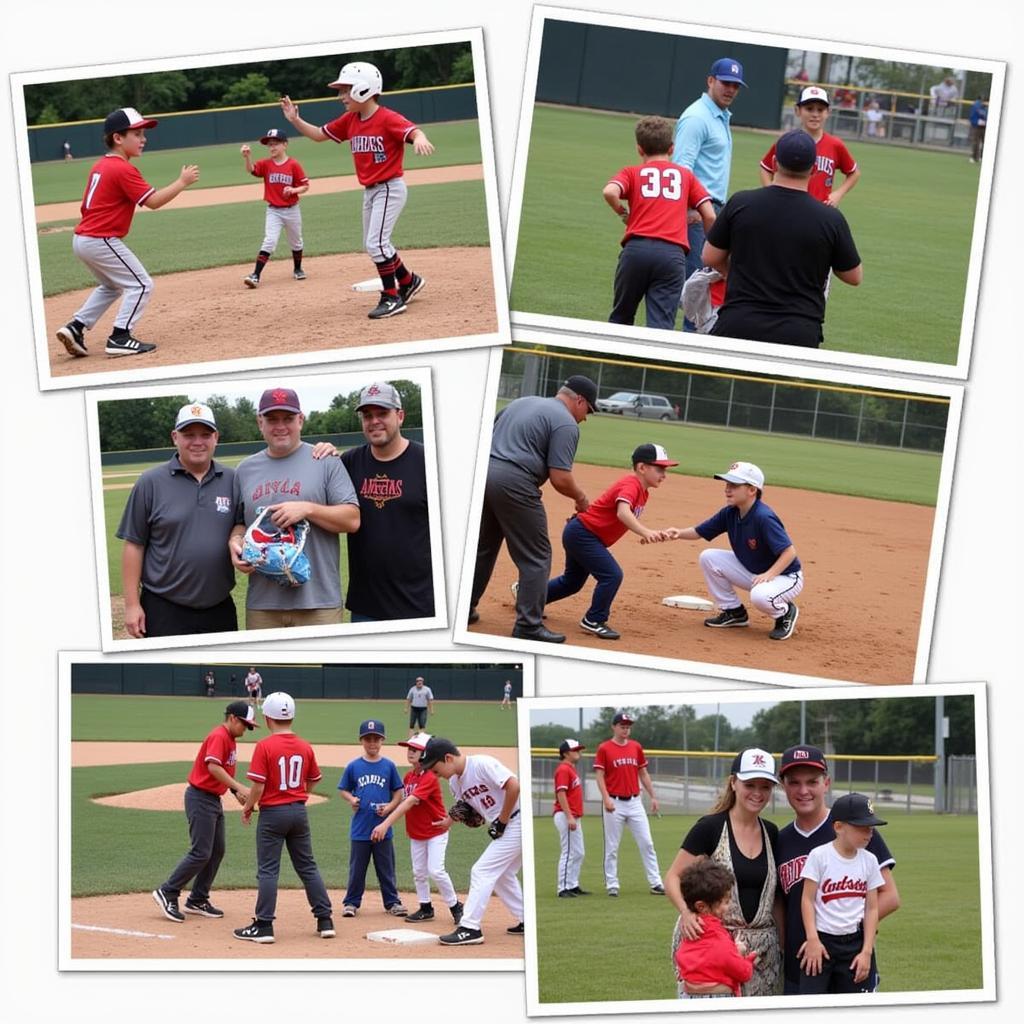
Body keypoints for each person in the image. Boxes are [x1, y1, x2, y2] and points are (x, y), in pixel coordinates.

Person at [280, 62, 434, 319]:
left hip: (389, 188)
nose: (341, 97)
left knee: (377, 243)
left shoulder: (387, 118)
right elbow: (319, 135)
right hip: (371, 191)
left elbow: (413, 131)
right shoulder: (351, 120)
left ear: (364, 89)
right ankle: (408, 281)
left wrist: (420, 138)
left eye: (345, 90)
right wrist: (295, 120)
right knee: (373, 243)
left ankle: (392, 298)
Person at [56, 107, 199, 359]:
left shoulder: (101, 165)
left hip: (82, 239)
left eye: (143, 133)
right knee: (142, 284)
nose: (143, 139)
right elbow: (153, 201)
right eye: (137, 133)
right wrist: (182, 182)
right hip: (100, 239)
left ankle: (75, 328)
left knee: (111, 286)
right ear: (118, 138)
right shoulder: (122, 168)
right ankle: (120, 337)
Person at [703, 129, 862, 348]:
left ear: (775, 162)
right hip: (799, 331)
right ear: (814, 168)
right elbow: (854, 276)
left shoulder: (741, 203)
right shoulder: (830, 219)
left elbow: (710, 256)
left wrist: (733, 271)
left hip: (740, 322)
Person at [468, 375, 597, 643]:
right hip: (514, 482)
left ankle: (465, 608)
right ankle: (528, 625)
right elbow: (560, 478)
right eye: (588, 410)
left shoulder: (520, 402)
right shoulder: (565, 423)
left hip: (481, 475)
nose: (585, 418)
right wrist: (582, 498)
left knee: (482, 547)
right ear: (579, 401)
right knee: (537, 556)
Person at [229, 387, 360, 629]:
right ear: (260, 422)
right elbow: (240, 523)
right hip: (263, 604)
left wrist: (308, 509)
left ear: (300, 420)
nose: (280, 426)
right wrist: (235, 542)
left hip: (318, 602)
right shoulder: (244, 470)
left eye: (288, 418)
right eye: (271, 419)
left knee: (327, 668)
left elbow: (352, 519)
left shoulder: (325, 460)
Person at [776, 745, 899, 994]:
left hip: (849, 962)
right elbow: (780, 903)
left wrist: (848, 938)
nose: (803, 790)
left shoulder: (855, 830)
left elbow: (890, 897)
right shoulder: (780, 840)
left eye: (812, 781)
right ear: (783, 785)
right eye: (794, 782)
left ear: (827, 783)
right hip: (801, 964)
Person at [664, 748, 782, 997]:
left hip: (762, 955)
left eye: (765, 786)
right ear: (733, 783)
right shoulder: (711, 827)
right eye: (750, 784)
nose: (758, 793)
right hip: (712, 950)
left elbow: (776, 899)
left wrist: (784, 943)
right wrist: (686, 913)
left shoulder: (771, 832)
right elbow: (673, 877)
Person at [116, 402, 237, 639]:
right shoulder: (150, 482)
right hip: (164, 607)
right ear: (175, 437)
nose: (197, 441)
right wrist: (131, 605)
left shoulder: (233, 480)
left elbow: (243, 525)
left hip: (219, 606)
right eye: (188, 434)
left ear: (216, 438)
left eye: (205, 434)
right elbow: (134, 544)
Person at [656, 461, 803, 641]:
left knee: (760, 596)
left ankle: (785, 612)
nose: (727, 489)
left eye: (734, 485)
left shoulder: (763, 517)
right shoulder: (730, 512)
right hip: (756, 572)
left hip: (785, 577)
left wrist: (770, 574)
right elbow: (699, 532)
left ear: (752, 490)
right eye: (727, 484)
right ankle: (734, 612)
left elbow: (789, 552)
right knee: (709, 557)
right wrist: (678, 533)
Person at [545, 443, 677, 641]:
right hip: (583, 534)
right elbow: (623, 512)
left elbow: (623, 518)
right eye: (659, 469)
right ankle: (594, 619)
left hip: (582, 534)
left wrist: (647, 534)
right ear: (642, 468)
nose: (664, 475)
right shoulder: (631, 484)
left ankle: (528, 597)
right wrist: (644, 531)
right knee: (611, 575)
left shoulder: (643, 491)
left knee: (572, 582)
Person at [233, 692, 335, 943]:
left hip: (273, 814)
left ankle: (264, 925)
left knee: (268, 870)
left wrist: (248, 806)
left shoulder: (265, 746)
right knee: (308, 867)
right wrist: (300, 797)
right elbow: (313, 779)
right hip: (298, 812)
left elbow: (257, 786)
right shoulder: (304, 745)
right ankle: (325, 920)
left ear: (267, 718)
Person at [604, 116, 715, 330]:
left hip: (635, 251)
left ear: (639, 149)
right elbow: (709, 215)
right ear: (671, 148)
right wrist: (711, 249)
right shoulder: (686, 176)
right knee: (661, 326)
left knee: (621, 318)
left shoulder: (632, 172)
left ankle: (613, 362)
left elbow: (609, 191)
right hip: (672, 256)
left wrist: (622, 212)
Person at [152, 701, 256, 924]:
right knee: (201, 852)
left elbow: (223, 770)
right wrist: (239, 787)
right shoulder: (219, 736)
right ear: (233, 718)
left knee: (217, 850)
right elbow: (213, 767)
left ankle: (198, 899)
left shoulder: (230, 739)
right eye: (245, 725)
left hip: (212, 800)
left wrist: (232, 791)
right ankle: (168, 891)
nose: (246, 730)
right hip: (200, 798)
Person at [341, 382, 435, 622]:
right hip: (366, 605)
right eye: (367, 415)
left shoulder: (428, 461)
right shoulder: (349, 462)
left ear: (400, 416)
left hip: (419, 605)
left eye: (382, 413)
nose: (374, 421)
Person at [419, 737, 524, 945]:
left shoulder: (481, 764)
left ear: (448, 758)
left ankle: (470, 927)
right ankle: (526, 917)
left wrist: (501, 822)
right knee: (502, 874)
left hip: (518, 820)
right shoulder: (454, 782)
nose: (434, 774)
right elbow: (468, 807)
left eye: (435, 768)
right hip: (507, 824)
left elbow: (514, 786)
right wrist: (451, 820)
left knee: (482, 871)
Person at [673, 57, 746, 330]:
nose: (730, 90)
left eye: (736, 86)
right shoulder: (696, 117)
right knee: (697, 286)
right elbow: (682, 168)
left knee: (703, 283)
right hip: (698, 212)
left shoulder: (718, 114)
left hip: (713, 210)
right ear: (710, 81)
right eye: (726, 83)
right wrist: (690, 210)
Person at [799, 793, 888, 994]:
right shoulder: (820, 856)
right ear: (839, 827)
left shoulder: (870, 860)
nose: (869, 833)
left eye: (871, 827)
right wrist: (812, 939)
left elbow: (872, 908)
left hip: (856, 943)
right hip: (822, 942)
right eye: (861, 827)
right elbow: (807, 900)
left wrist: (866, 951)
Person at [370, 732, 463, 925]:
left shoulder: (429, 776)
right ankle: (425, 908)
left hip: (436, 831)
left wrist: (386, 823)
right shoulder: (410, 776)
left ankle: (456, 907)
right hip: (417, 832)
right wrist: (388, 807)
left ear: (425, 753)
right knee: (419, 872)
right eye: (409, 749)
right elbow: (403, 799)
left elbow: (411, 801)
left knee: (436, 871)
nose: (410, 752)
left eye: (415, 749)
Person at [337, 719, 407, 918]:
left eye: (376, 739)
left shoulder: (389, 766)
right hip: (360, 828)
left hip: (383, 828)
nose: (372, 743)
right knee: (357, 869)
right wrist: (352, 799)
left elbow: (398, 793)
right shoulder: (354, 766)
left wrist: (390, 807)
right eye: (368, 739)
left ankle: (392, 902)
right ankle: (351, 903)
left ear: (382, 740)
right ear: (362, 741)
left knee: (386, 868)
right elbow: (343, 789)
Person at [593, 712, 664, 897]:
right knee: (612, 846)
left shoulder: (636, 747)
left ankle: (656, 883)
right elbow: (599, 776)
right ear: (614, 727)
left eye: (628, 726)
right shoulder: (605, 748)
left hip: (634, 801)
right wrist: (606, 798)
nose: (626, 729)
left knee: (647, 843)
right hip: (614, 802)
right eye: (622, 726)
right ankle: (612, 884)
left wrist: (653, 796)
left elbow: (643, 773)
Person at [759, 88, 860, 207]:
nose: (815, 114)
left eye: (820, 110)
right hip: (788, 207)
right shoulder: (787, 142)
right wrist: (771, 191)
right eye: (809, 109)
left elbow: (854, 173)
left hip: (820, 209)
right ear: (798, 111)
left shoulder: (835, 145)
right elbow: (765, 167)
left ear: (828, 112)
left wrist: (838, 194)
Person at [674, 860, 758, 998]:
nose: (729, 906)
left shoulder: (689, 934)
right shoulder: (718, 938)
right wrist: (742, 955)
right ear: (702, 906)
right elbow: (743, 972)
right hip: (717, 999)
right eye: (725, 902)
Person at [240, 127, 309, 287]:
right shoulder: (266, 164)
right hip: (273, 211)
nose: (271, 147)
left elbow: (305, 185)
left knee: (296, 242)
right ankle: (255, 275)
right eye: (269, 144)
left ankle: (298, 269)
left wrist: (293, 190)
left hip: (292, 210)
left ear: (285, 145)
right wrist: (247, 157)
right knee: (269, 241)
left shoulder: (293, 165)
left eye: (275, 144)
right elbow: (251, 170)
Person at [553, 738, 587, 898]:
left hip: (573, 816)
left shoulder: (570, 769)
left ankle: (572, 884)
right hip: (566, 815)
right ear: (566, 753)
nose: (578, 752)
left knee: (579, 852)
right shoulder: (563, 770)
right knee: (568, 852)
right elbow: (561, 793)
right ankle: (562, 888)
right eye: (575, 750)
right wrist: (569, 817)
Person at [969, 97, 988, 163]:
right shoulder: (976, 105)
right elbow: (973, 116)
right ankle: (974, 157)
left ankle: (981, 157)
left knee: (984, 142)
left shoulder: (986, 107)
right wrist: (976, 122)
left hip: (984, 126)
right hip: (976, 126)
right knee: (976, 142)